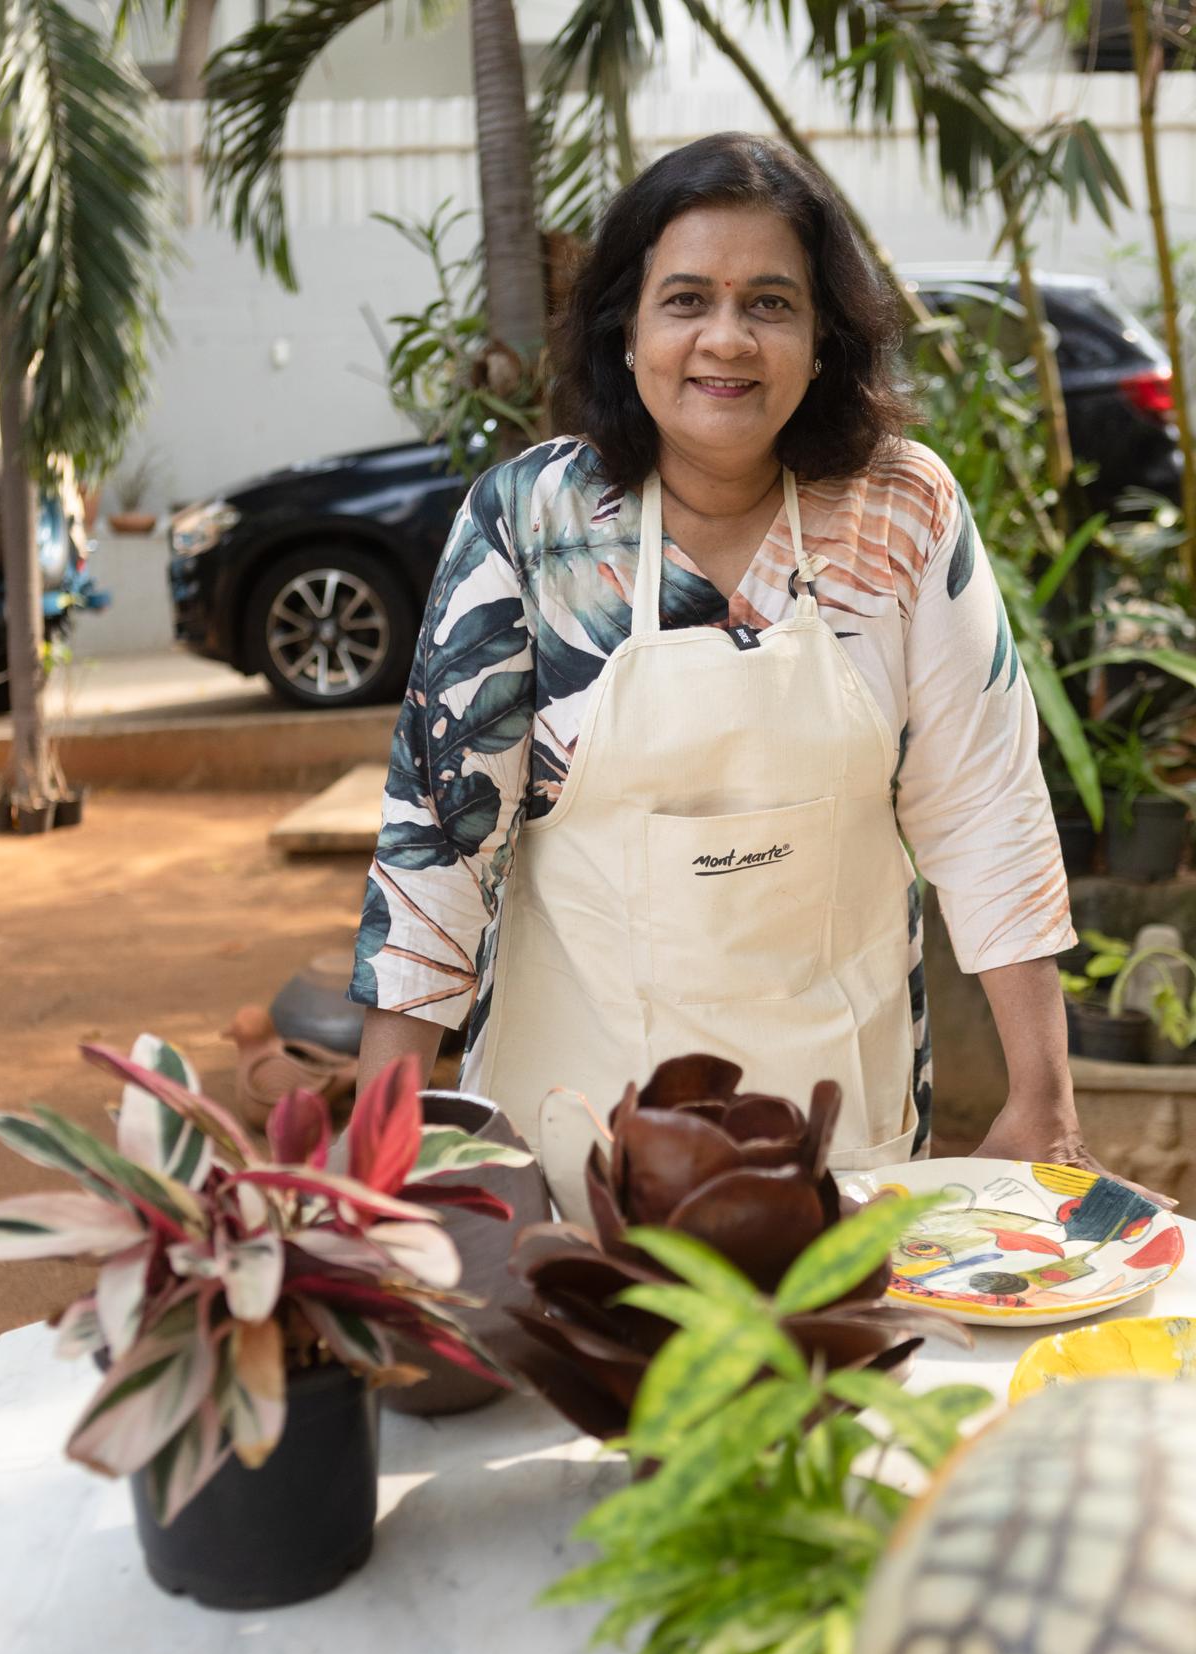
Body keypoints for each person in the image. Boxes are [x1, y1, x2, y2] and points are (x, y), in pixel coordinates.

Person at [347, 131, 1162, 1210]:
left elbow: (986, 809)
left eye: (770, 303)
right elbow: (439, 856)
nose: (725, 340)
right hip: (571, 1148)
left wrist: (1045, 1097)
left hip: (840, 1154)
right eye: (685, 299)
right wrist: (370, 1165)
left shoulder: (902, 509)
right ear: (625, 330)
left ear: (823, 336)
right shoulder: (530, 522)